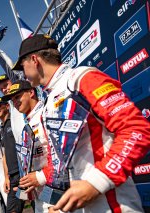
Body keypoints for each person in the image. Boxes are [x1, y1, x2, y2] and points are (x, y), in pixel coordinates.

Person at [12, 34, 150, 212]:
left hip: (111, 203)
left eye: (22, 66)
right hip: (80, 204)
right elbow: (58, 161)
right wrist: (59, 203)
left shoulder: (81, 78)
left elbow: (135, 129)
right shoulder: (48, 102)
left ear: (34, 59)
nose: (22, 73)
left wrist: (97, 182)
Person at [1, 80, 50, 212]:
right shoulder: (26, 126)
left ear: (31, 92)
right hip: (41, 195)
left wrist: (40, 178)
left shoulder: (47, 114)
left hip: (57, 195)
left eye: (18, 97)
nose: (15, 102)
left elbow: (63, 159)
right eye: (12, 100)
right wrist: (26, 189)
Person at [0, 97, 25, 213]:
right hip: (13, 177)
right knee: (12, 210)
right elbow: (4, 155)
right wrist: (7, 178)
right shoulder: (1, 129)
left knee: (39, 205)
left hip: (24, 174)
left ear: (7, 106)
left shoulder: (15, 122)